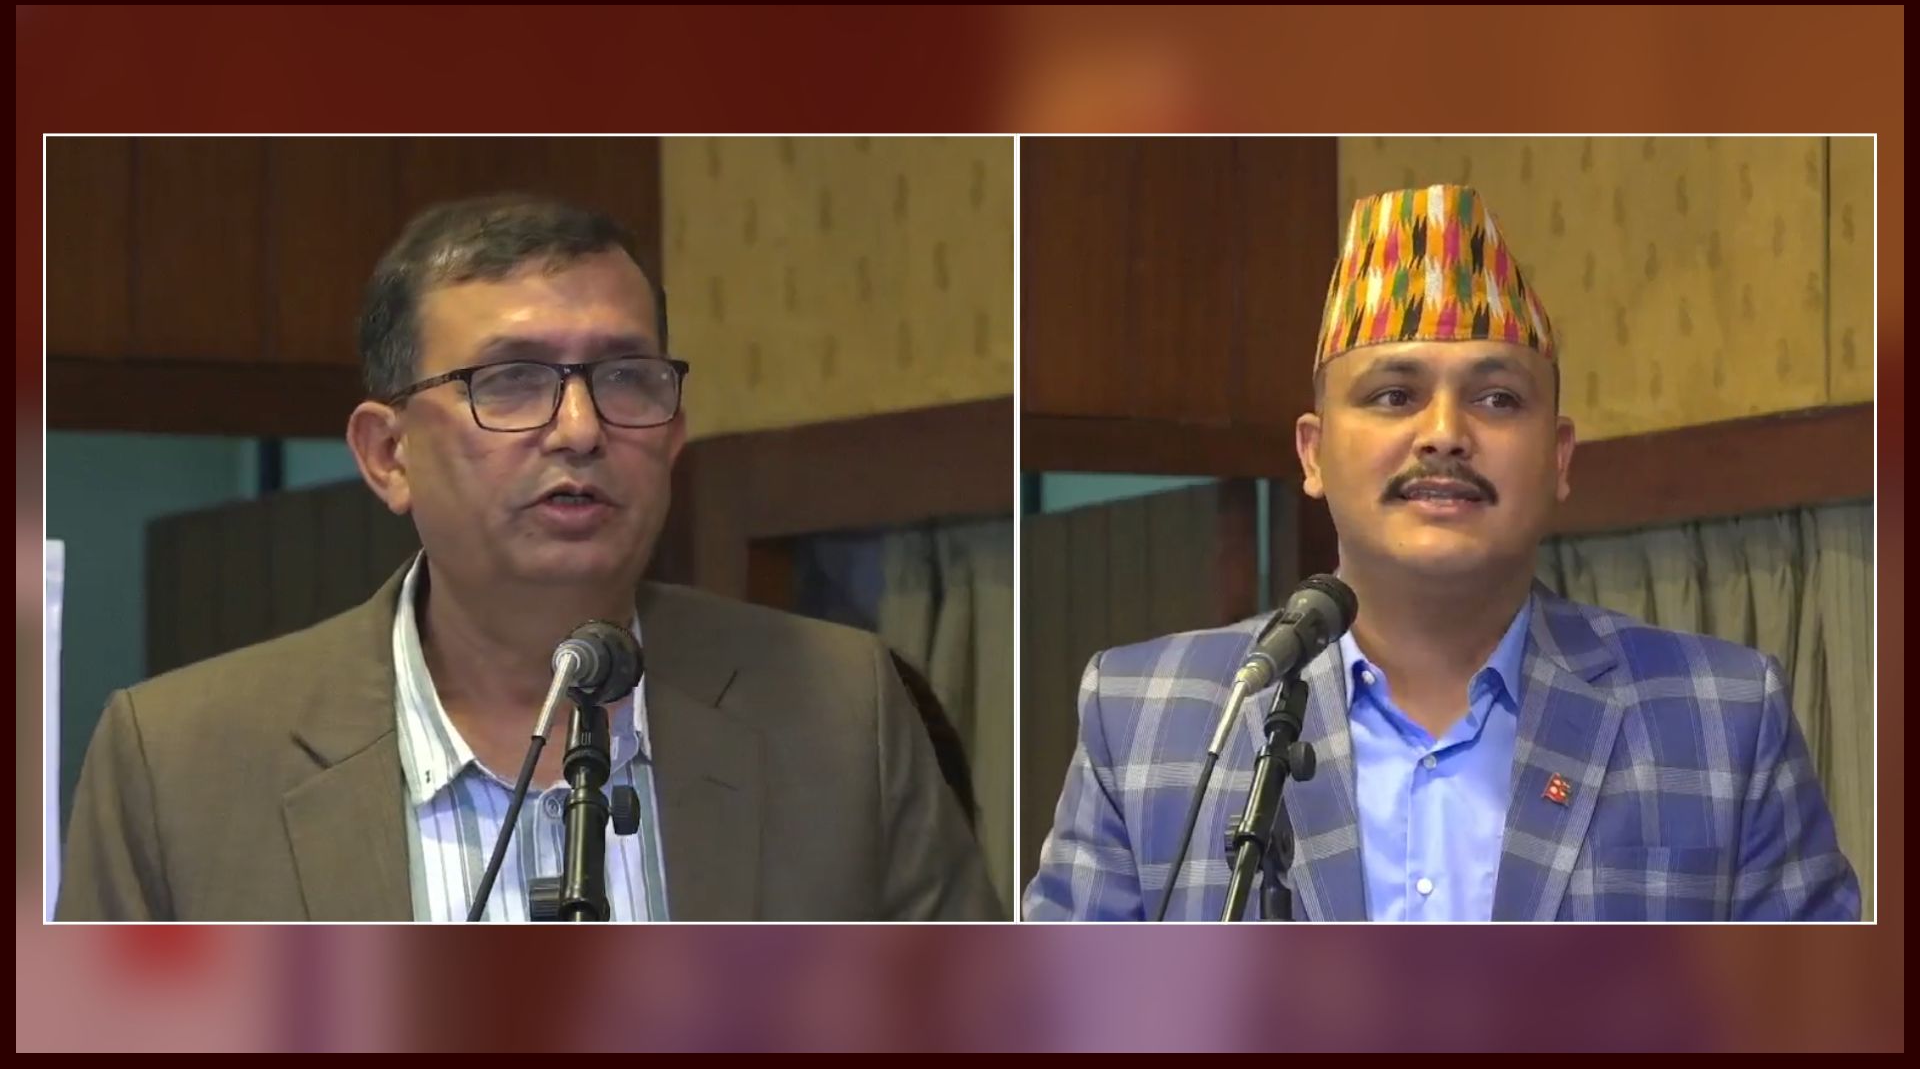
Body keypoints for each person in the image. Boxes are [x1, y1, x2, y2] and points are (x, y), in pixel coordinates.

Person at [58, 193, 1002, 922]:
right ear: (388, 455)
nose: (581, 428)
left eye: (626, 377)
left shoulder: (844, 713)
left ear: (673, 433)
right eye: (510, 381)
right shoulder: (181, 763)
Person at [1024, 184, 1861, 922]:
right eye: (1395, 395)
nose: (1445, 434)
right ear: (1313, 455)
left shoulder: (1720, 717)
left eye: (1496, 399)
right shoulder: (1150, 715)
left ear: (1558, 457)